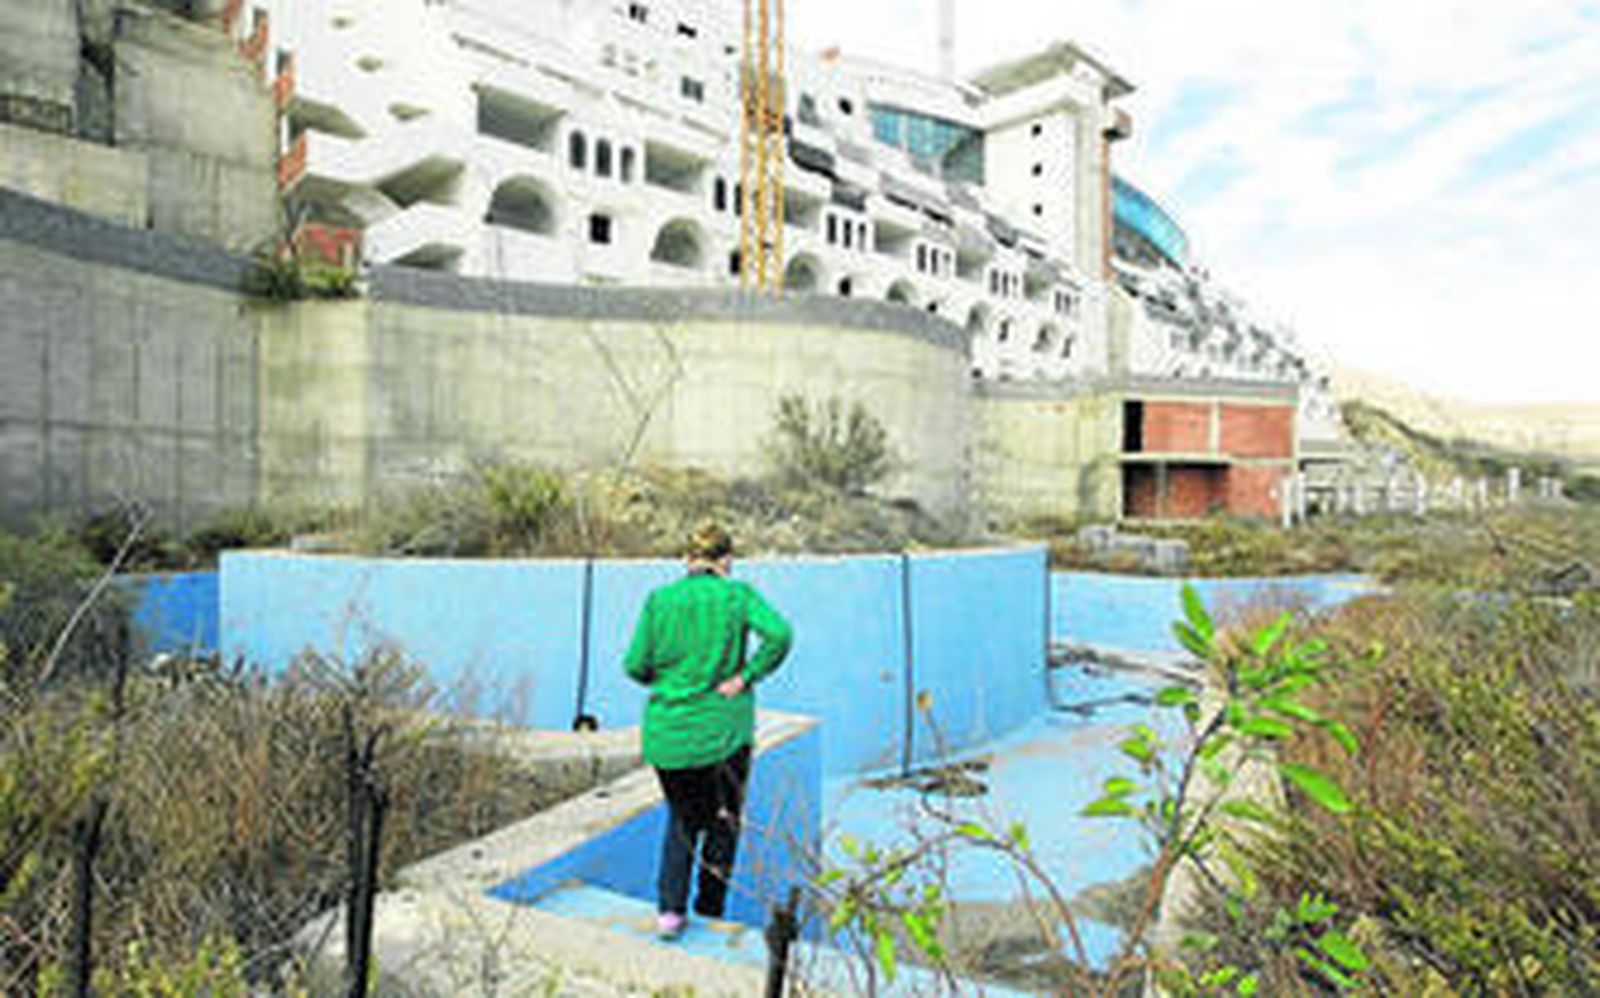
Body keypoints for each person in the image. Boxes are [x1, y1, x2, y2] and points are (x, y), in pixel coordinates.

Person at [623, 521, 793, 940]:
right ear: (726, 560)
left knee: (682, 819)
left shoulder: (659, 599)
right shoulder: (737, 595)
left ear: (687, 559)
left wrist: (669, 682)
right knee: (722, 821)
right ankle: (710, 910)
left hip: (668, 735)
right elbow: (779, 635)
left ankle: (670, 913)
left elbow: (634, 665)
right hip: (723, 733)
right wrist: (745, 676)